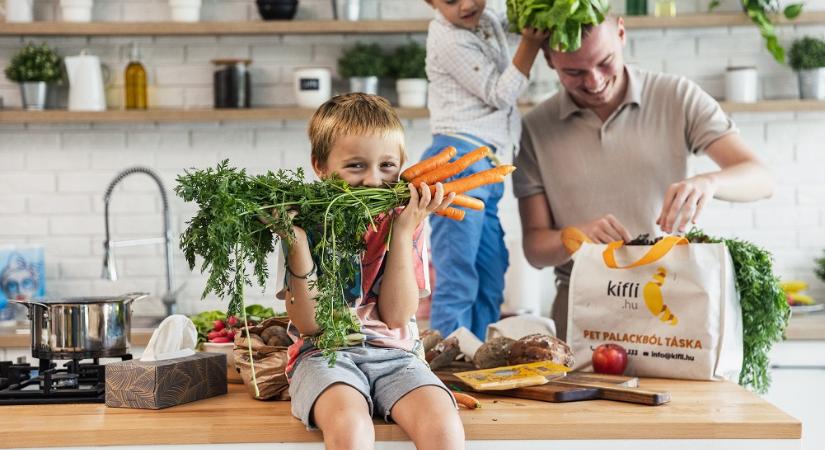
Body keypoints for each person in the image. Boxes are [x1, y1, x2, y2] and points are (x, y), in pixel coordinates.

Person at [513, 16, 774, 341]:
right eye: (574, 73)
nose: (594, 82)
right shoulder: (535, 129)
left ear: (621, 33)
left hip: (671, 306)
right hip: (581, 316)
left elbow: (761, 178)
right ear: (549, 60)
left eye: (605, 62)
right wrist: (573, 235)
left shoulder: (676, 96)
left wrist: (709, 183)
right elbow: (535, 248)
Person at [276, 93, 464, 450]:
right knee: (349, 426)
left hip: (397, 356)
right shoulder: (301, 223)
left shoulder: (408, 220)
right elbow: (310, 326)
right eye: (356, 166)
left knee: (444, 427)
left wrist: (404, 231)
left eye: (387, 166)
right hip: (323, 356)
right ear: (320, 166)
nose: (374, 181)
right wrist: (296, 240)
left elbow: (396, 315)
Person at [422, 0, 549, 339]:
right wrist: (531, 44)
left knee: (491, 273)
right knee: (458, 275)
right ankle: (446, 365)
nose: (466, 4)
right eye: (450, 0)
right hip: (456, 164)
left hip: (487, 166)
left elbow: (515, 19)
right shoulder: (447, 38)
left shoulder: (487, 16)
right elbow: (501, 93)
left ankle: (476, 354)